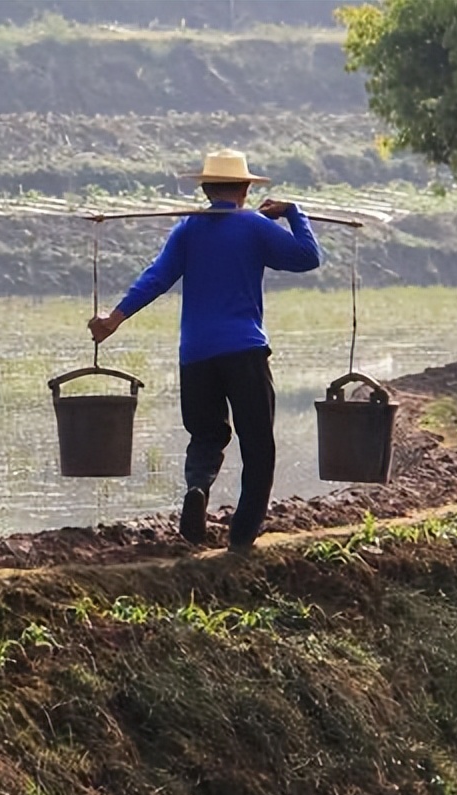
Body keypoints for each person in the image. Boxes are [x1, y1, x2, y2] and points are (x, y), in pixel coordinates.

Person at [88, 149, 322, 553]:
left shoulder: (188, 230)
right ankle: (242, 538)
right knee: (258, 445)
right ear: (246, 189)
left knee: (206, 434)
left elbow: (156, 278)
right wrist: (293, 212)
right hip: (244, 350)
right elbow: (308, 257)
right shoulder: (254, 227)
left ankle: (197, 486)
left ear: (207, 188)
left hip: (195, 354)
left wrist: (114, 318)